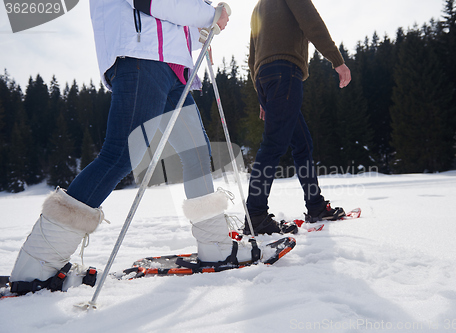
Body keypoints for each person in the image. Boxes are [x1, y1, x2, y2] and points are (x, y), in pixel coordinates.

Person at [9, 0, 256, 295]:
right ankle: (36, 266)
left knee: (197, 155)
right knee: (120, 156)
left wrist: (198, 27)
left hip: (173, 70)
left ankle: (215, 246)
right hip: (142, 56)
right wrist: (208, 13)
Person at [244, 0, 352, 235]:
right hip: (285, 72)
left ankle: (315, 206)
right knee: (273, 144)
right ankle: (256, 215)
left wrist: (261, 95)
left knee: (302, 143)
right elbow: (312, 23)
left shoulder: (258, 7)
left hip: (266, 76)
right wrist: (337, 61)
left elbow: (252, 55)